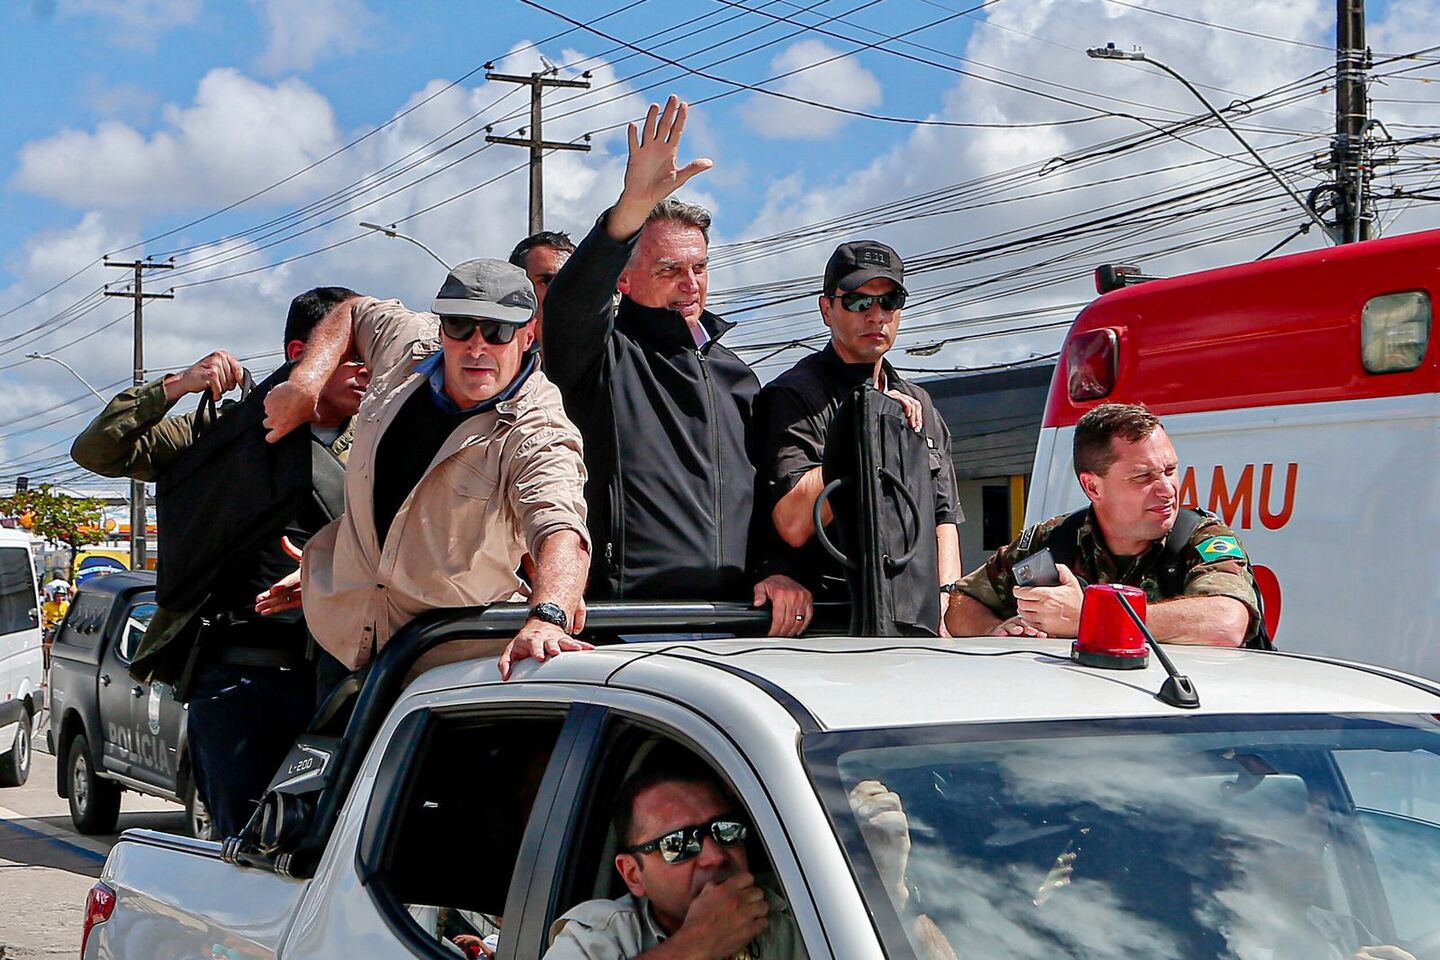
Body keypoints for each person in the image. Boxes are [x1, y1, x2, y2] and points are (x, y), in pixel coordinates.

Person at [69, 286, 367, 837]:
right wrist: (177, 386)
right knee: (244, 838)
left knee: (333, 844)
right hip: (241, 674)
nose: (365, 371)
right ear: (302, 353)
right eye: (349, 356)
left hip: (339, 678)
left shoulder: (375, 442)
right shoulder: (221, 435)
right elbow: (98, 452)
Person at [542, 94, 811, 636]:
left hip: (737, 622)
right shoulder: (601, 355)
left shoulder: (739, 377)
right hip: (624, 623)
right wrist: (629, 210)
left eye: (700, 268)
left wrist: (778, 569)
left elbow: (768, 495)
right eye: (669, 270)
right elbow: (570, 304)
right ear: (624, 279)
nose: (690, 285)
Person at [258, 259, 592, 680]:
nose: (476, 347)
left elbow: (561, 529)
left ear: (528, 335)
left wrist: (548, 615)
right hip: (344, 639)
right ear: (440, 328)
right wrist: (306, 382)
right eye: (460, 327)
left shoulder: (537, 428)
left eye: (497, 331)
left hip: (443, 669)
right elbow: (352, 311)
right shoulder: (407, 347)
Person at [753, 240, 963, 623]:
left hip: (915, 620)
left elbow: (943, 519)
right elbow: (794, 523)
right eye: (858, 302)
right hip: (833, 620)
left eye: (889, 301)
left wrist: (947, 602)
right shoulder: (794, 395)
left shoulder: (921, 404)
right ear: (826, 309)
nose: (876, 315)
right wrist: (866, 433)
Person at [945, 402, 1262, 646]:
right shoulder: (1053, 541)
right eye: (1143, 477)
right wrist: (996, 630)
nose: (1167, 490)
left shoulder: (1198, 538)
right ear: (1093, 487)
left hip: (1182, 719)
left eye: (1170, 470)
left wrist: (1088, 618)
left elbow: (1225, 623)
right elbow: (962, 603)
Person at [545, 747, 806, 959]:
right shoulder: (600, 936)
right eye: (678, 843)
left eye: (724, 830)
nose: (714, 856)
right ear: (633, 875)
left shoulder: (802, 906)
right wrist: (696, 944)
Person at [509, 230, 575, 346]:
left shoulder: (611, 356)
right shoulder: (481, 353)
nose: (565, 290)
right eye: (547, 281)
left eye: (573, 280)